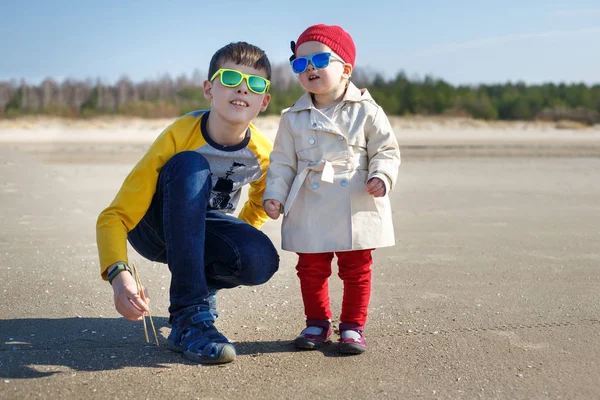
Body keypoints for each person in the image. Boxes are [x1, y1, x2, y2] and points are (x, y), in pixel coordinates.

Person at [96, 42, 279, 364]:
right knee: (190, 165)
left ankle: (199, 285)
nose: (242, 88)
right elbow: (114, 216)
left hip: (202, 237)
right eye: (231, 77)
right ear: (209, 88)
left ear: (264, 101)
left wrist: (237, 239)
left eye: (255, 83)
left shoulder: (263, 154)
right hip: (154, 230)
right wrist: (119, 275)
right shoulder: (181, 133)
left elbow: (260, 203)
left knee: (259, 258)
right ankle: (188, 317)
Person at [263, 24, 400, 354]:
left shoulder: (367, 110)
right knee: (310, 268)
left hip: (356, 199)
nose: (309, 67)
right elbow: (282, 162)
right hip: (310, 202)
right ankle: (317, 322)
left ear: (346, 70)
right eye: (300, 63)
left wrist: (382, 175)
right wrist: (274, 194)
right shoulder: (292, 117)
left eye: (320, 59)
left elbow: (386, 149)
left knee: (356, 268)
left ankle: (352, 326)